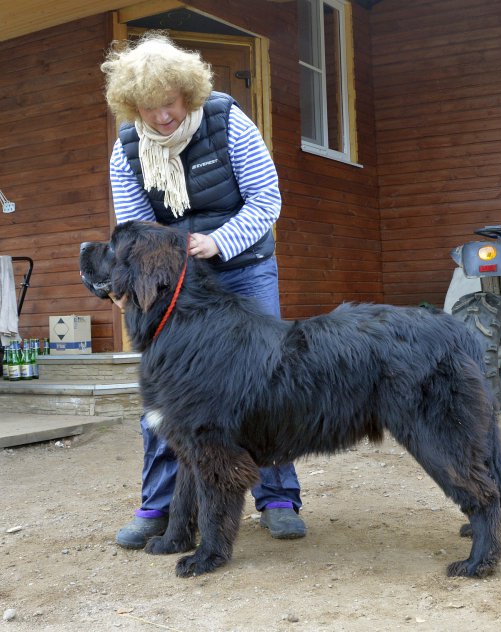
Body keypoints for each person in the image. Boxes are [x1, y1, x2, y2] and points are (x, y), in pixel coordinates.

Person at [100, 32, 306, 548]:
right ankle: (161, 505)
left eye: (168, 105)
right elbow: (137, 230)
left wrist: (220, 242)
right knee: (168, 393)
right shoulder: (126, 150)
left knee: (266, 383)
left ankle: (277, 497)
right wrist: (134, 282)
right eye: (148, 110)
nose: (161, 118)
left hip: (241, 265)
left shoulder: (227, 120)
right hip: (177, 284)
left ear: (187, 96)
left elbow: (266, 199)